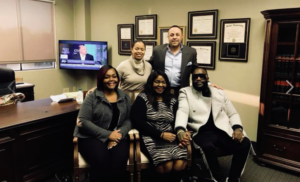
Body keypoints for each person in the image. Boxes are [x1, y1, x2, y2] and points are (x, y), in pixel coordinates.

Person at [175, 65, 251, 182]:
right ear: (192, 79)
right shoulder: (185, 92)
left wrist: (237, 129)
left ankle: (233, 178)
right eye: (196, 77)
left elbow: (233, 113)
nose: (199, 79)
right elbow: (182, 111)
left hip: (222, 129)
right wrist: (180, 129)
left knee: (245, 142)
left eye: (202, 76)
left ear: (207, 78)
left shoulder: (219, 92)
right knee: (207, 147)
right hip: (202, 132)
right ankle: (219, 179)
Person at [73, 65, 132, 182]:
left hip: (117, 135)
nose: (111, 79)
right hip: (90, 137)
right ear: (101, 79)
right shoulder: (92, 96)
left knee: (119, 161)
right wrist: (108, 135)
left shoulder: (125, 97)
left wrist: (119, 134)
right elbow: (82, 121)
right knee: (102, 160)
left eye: (114, 76)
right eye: (107, 77)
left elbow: (129, 119)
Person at [131, 70, 187, 182]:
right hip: (150, 136)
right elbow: (137, 121)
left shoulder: (172, 99)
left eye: (163, 82)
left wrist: (180, 135)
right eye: (157, 82)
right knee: (166, 164)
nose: (160, 85)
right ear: (151, 82)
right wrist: (160, 134)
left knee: (180, 163)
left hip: (171, 136)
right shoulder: (143, 98)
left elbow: (177, 120)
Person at [87, 40, 152, 103]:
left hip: (142, 101)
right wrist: (97, 88)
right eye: (137, 49)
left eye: (142, 49)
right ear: (131, 49)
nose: (139, 51)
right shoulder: (123, 65)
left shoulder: (149, 66)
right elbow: (111, 80)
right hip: (126, 100)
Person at [149, 25, 197, 97]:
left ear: (182, 36)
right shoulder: (158, 50)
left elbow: (196, 71)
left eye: (177, 35)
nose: (174, 37)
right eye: (172, 35)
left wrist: (208, 84)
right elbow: (148, 66)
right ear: (168, 37)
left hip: (181, 91)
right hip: (161, 90)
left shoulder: (191, 52)